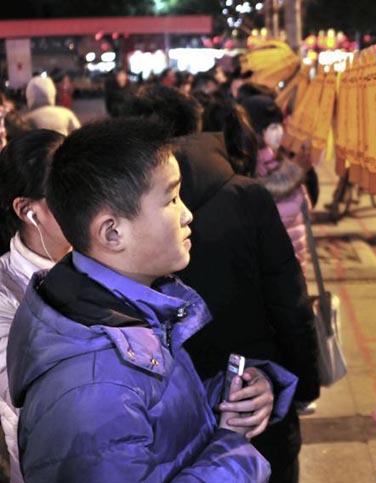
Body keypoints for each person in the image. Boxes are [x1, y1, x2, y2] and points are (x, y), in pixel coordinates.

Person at [7, 118, 294, 481]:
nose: (187, 213)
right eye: (171, 198)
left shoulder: (120, 312)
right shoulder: (94, 392)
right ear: (113, 232)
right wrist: (233, 450)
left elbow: (156, 424)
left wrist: (232, 395)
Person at [123, 86, 320, 483]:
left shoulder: (126, 211)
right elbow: (289, 303)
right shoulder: (246, 195)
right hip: (252, 395)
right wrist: (301, 383)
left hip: (168, 415)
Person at [0, 130, 70, 483]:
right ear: (28, 211)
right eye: (69, 193)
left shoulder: (111, 259)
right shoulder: (4, 296)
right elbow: (24, 406)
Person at [242, 94, 309, 273]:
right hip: (293, 272)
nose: (280, 132)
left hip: (275, 275)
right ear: (256, 131)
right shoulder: (286, 168)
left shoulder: (246, 173)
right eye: (273, 127)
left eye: (280, 125)